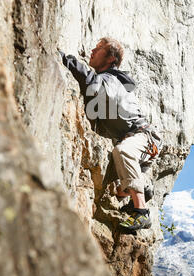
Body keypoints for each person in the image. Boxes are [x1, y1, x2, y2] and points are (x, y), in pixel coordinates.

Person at [58, 37, 162, 231]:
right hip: (140, 142)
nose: (91, 51)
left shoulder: (112, 79)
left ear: (110, 58)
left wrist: (64, 58)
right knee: (118, 191)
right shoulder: (116, 81)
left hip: (143, 137)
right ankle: (144, 187)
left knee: (123, 152)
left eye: (98, 49)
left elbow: (92, 83)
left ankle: (141, 213)